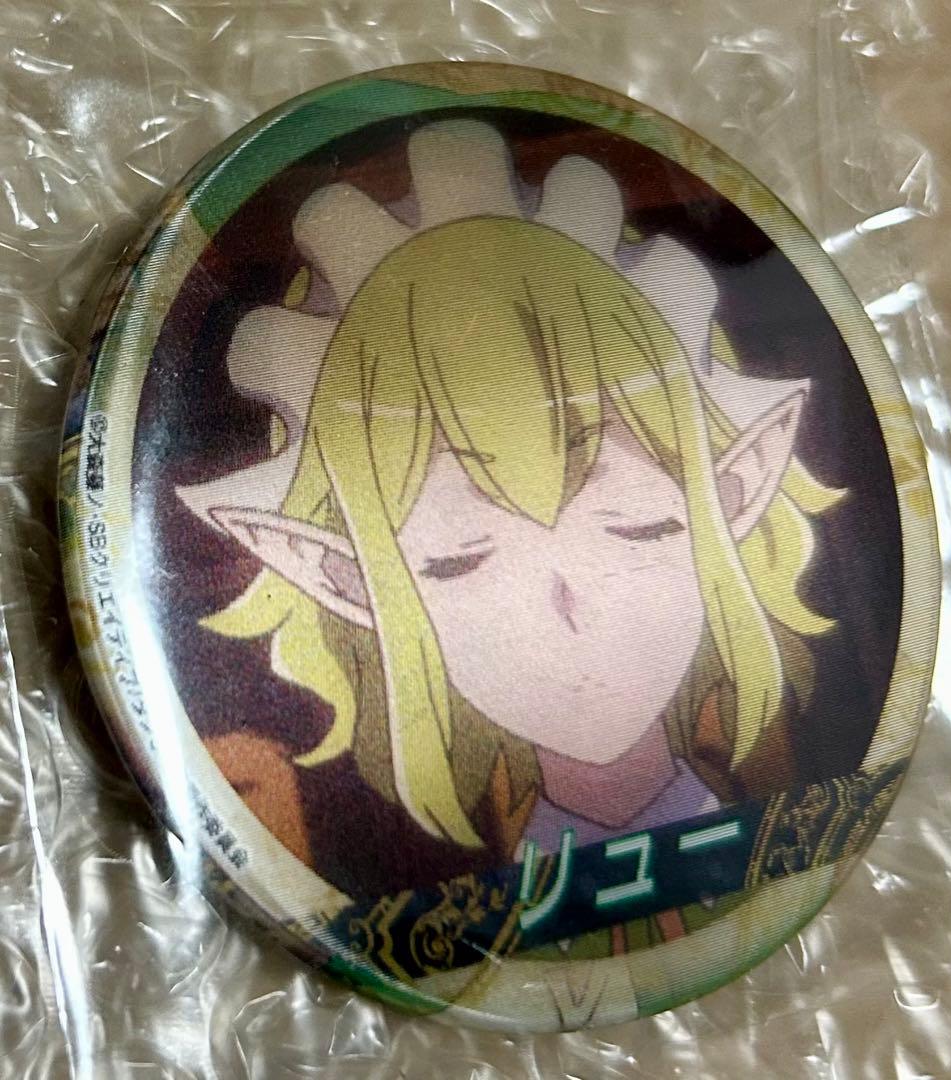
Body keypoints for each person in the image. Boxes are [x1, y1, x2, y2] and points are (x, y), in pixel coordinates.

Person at [178, 120, 840, 902]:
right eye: (457, 559)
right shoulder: (429, 914)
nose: (569, 606)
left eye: (640, 526)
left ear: (733, 496)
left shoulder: (798, 826)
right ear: (344, 579)